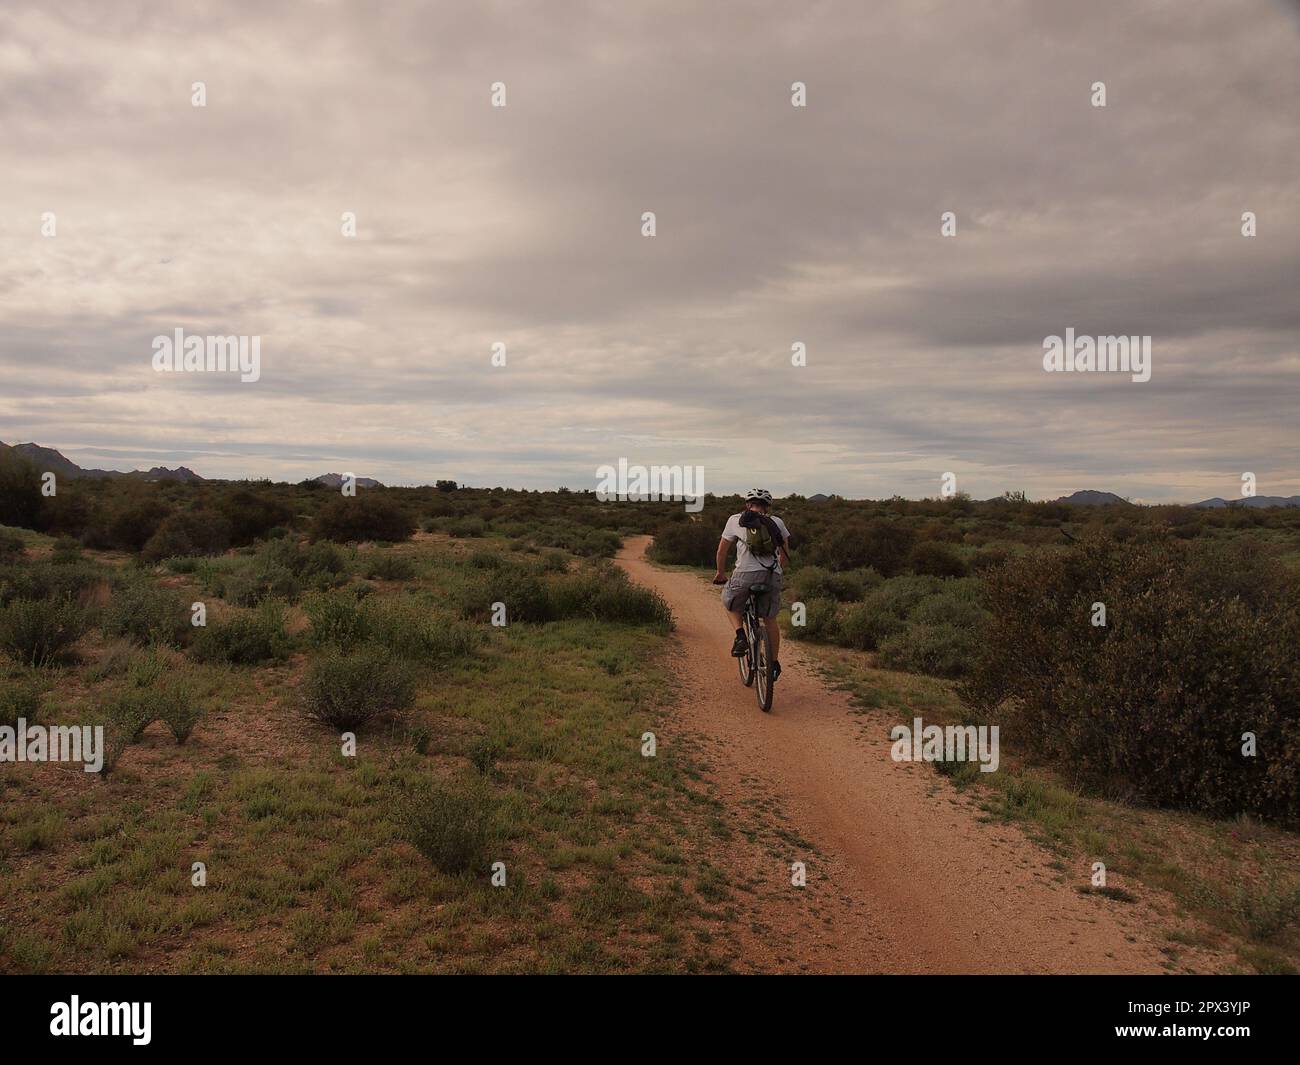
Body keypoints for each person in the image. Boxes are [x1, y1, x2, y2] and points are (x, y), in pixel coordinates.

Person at [712, 489, 791, 682]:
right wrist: (775, 573)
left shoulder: (735, 520)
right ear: (767, 507)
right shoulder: (777, 522)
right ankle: (774, 663)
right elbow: (785, 555)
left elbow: (722, 551)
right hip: (772, 575)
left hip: (745, 575)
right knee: (770, 619)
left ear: (748, 505)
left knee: (729, 601)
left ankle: (741, 636)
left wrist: (720, 573)